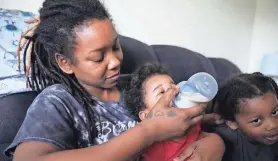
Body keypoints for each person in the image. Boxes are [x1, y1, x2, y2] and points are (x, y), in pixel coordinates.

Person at [4, 0, 225, 161]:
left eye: (116, 47)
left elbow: (192, 124)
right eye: (98, 57)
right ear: (65, 63)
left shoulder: (141, 85)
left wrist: (215, 144)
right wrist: (148, 131)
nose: (115, 62)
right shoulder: (59, 101)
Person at [125, 64, 222, 161]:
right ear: (146, 116)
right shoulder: (153, 150)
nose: (173, 92)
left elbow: (198, 120)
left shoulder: (187, 118)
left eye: (174, 87)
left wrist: (212, 118)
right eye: (162, 92)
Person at [213, 72, 278, 161]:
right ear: (232, 123)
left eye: (275, 112)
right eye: (256, 121)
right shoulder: (225, 141)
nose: (273, 125)